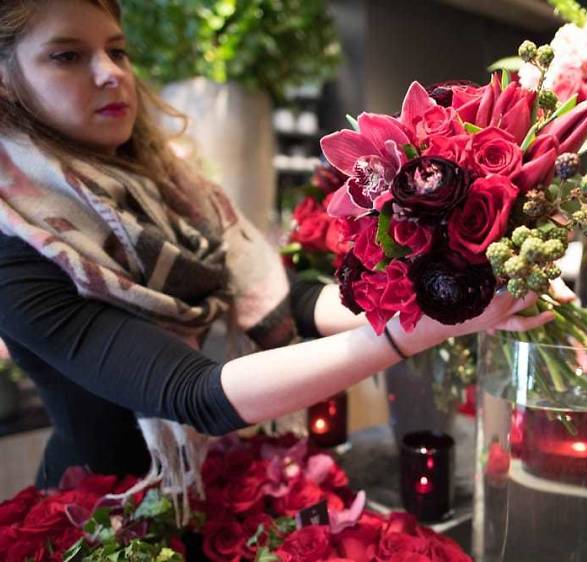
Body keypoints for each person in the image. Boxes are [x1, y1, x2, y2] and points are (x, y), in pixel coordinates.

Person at [0, 0, 554, 494]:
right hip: (100, 516)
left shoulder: (177, 194)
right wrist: (423, 327)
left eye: (116, 50)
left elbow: (287, 302)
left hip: (213, 491)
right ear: (6, 81)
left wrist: (456, 293)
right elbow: (194, 393)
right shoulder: (18, 245)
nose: (109, 73)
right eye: (67, 56)